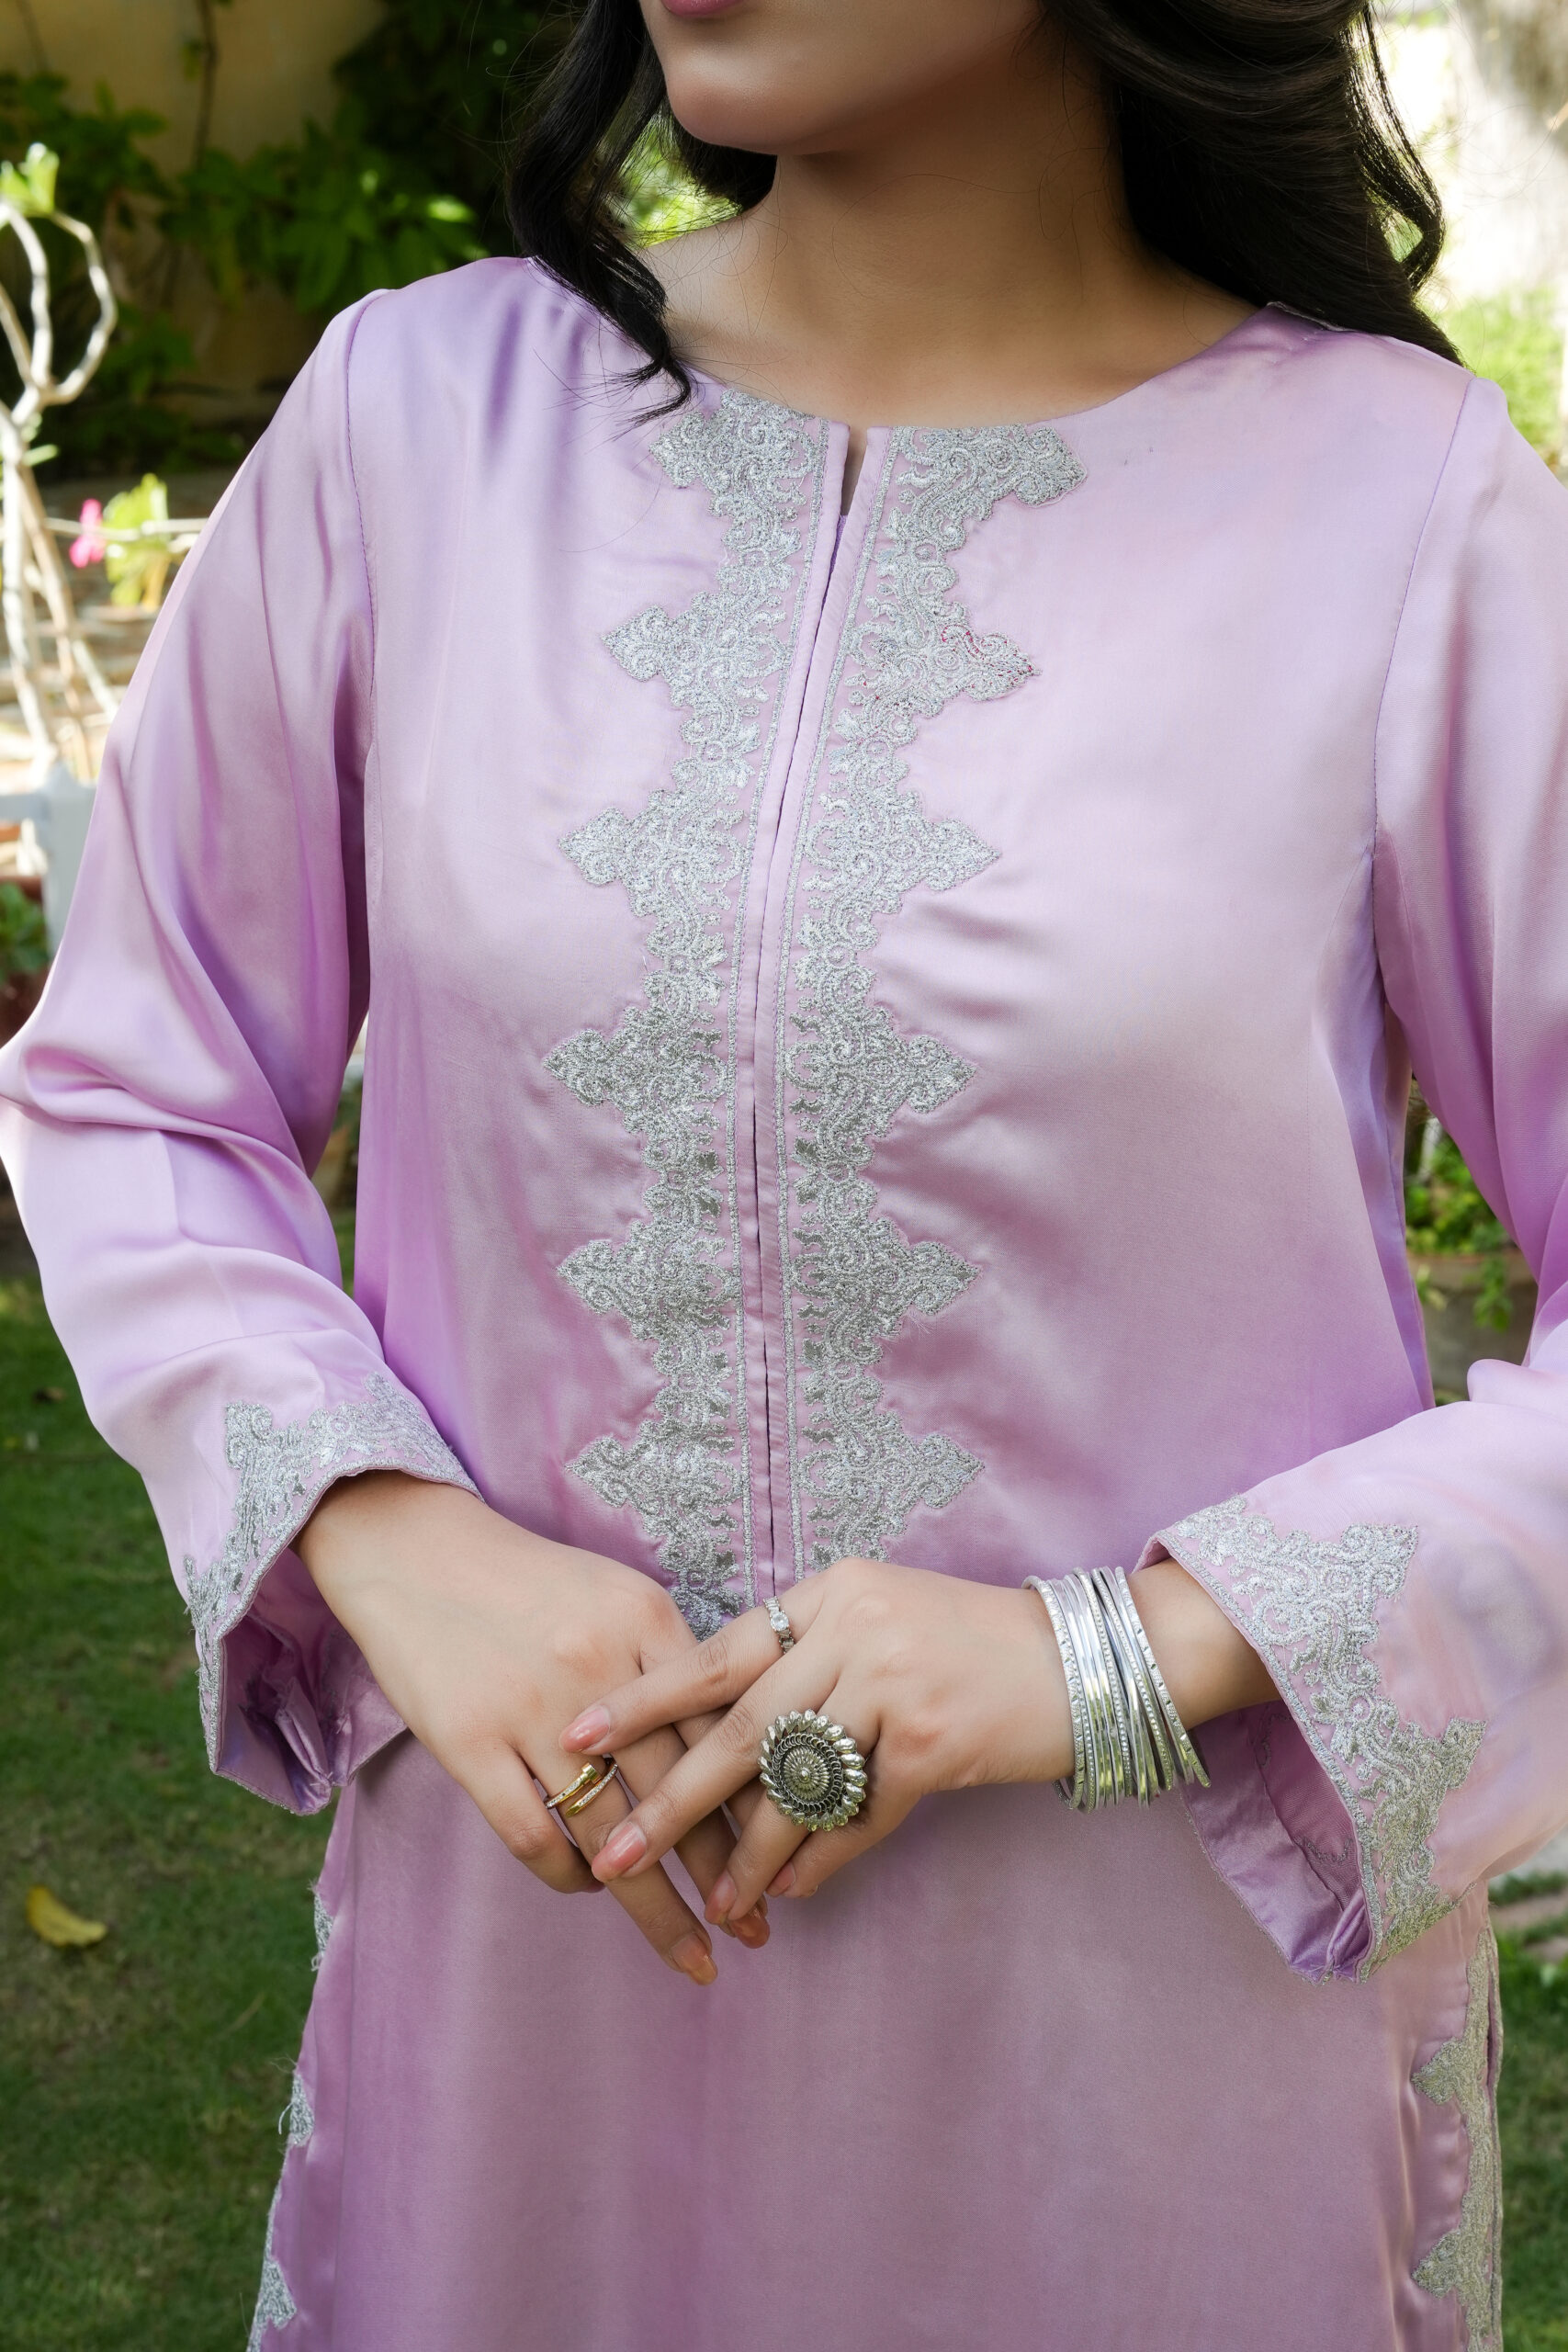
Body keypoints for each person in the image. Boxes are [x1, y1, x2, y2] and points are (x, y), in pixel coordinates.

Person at [4, 0, 1566, 2343]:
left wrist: (1103, 1654)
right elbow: (138, 1086)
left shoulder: (1403, 517)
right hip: (522, 2036)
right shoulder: (417, 431)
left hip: (1145, 2068)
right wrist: (378, 1526)